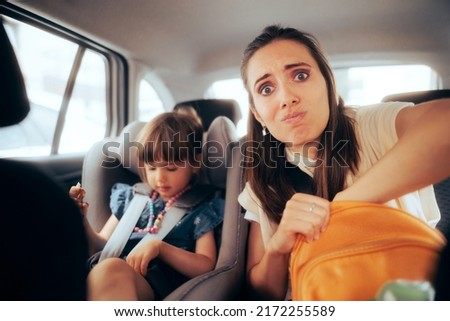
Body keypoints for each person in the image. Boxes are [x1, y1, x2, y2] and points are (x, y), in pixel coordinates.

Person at [237, 24, 450, 300]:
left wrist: (342, 207)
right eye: (266, 89)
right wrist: (279, 246)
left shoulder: (369, 125)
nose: (287, 97)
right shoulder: (261, 183)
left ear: (328, 83)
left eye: (300, 75)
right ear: (258, 113)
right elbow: (262, 292)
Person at [70, 112, 224, 300]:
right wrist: (80, 220)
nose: (160, 177)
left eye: (171, 168)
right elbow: (102, 245)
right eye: (152, 168)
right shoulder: (132, 198)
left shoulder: (200, 209)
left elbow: (205, 264)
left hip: (153, 284)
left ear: (195, 163)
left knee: (111, 269)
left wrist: (161, 248)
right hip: (105, 271)